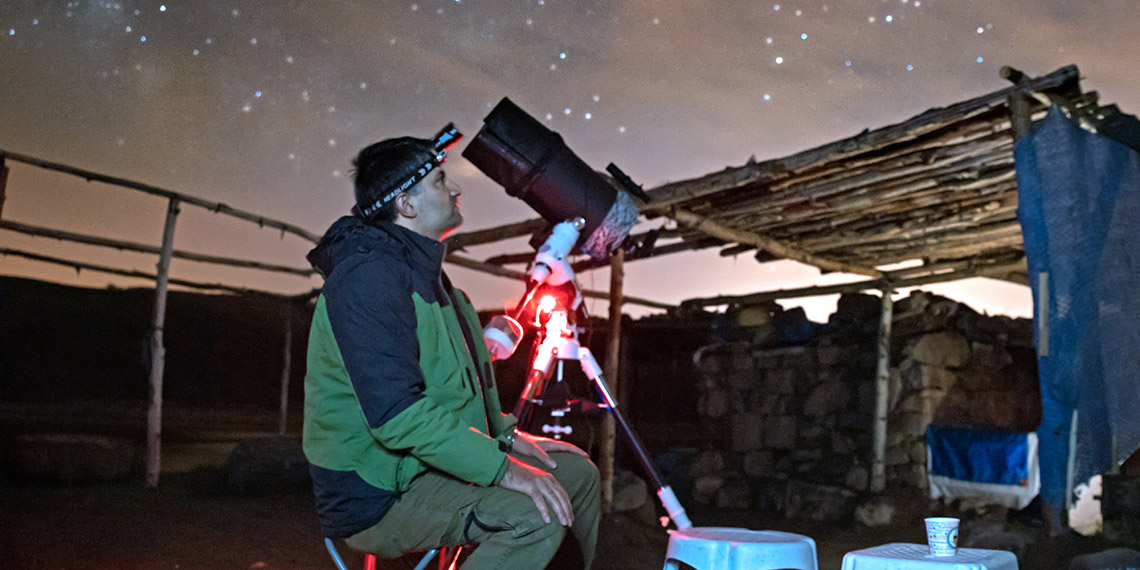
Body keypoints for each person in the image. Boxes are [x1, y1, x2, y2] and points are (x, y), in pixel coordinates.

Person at [302, 132, 601, 569]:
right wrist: (503, 469)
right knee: (534, 517)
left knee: (578, 475)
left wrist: (508, 437)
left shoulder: (439, 286)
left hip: (424, 467)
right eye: (441, 181)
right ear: (406, 204)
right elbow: (398, 417)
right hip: (378, 493)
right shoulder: (367, 280)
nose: (456, 189)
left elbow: (454, 392)